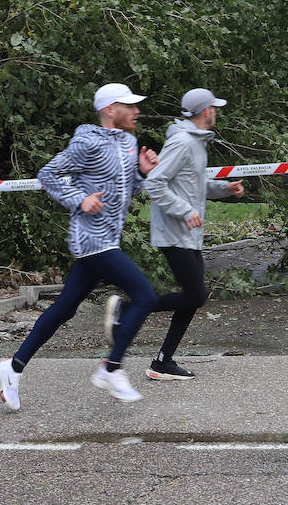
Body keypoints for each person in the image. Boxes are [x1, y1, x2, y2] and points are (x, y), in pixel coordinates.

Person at [0, 83, 160, 410]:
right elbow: (48, 174)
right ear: (111, 109)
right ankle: (111, 368)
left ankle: (12, 368)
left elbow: (126, 190)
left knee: (64, 309)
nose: (137, 111)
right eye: (130, 105)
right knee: (146, 296)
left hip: (108, 238)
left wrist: (143, 172)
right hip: (91, 240)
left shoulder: (129, 141)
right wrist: (79, 200)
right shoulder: (87, 144)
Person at [104, 87, 243, 380]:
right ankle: (126, 312)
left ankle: (163, 361)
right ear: (206, 111)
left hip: (187, 233)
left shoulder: (196, 143)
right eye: (213, 108)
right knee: (197, 295)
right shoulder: (182, 142)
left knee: (193, 297)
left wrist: (225, 188)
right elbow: (155, 183)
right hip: (174, 231)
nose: (216, 112)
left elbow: (194, 186)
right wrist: (184, 211)